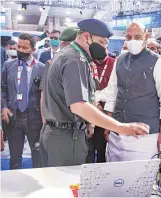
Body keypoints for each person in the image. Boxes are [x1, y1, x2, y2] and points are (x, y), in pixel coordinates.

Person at [40, 18, 149, 167]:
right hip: (67, 137)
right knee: (66, 184)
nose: (104, 48)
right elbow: (79, 106)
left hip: (57, 133)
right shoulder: (75, 61)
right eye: (102, 42)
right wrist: (120, 127)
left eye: (106, 44)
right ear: (86, 36)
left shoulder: (66, 54)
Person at [104, 21, 161, 162]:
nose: (132, 41)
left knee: (139, 178)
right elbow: (112, 94)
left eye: (137, 37)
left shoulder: (159, 63)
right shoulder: (119, 60)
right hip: (117, 132)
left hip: (144, 136)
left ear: (146, 36)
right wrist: (108, 125)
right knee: (114, 176)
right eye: (129, 37)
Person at [1, 33, 45, 169]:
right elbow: (2, 89)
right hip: (13, 117)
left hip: (34, 118)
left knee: (38, 156)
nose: (20, 50)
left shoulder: (42, 68)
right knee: (14, 157)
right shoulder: (8, 66)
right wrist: (3, 107)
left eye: (25, 48)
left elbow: (45, 95)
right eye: (18, 46)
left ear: (33, 50)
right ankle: (15, 186)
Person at [87, 52, 115, 163]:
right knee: (88, 150)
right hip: (88, 112)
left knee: (102, 150)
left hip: (105, 114)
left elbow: (114, 91)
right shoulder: (87, 62)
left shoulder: (114, 64)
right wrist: (95, 104)